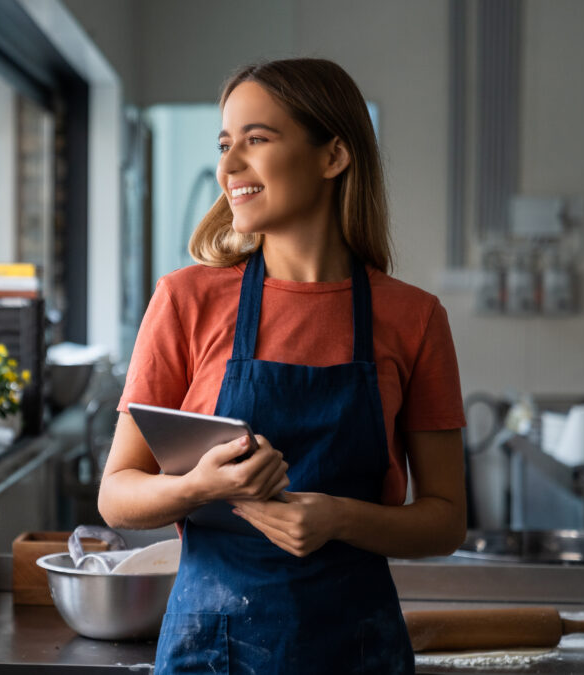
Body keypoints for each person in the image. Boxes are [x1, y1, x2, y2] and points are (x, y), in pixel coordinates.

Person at [98, 58, 467, 674]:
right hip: (210, 650)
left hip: (355, 648)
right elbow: (116, 495)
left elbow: (446, 520)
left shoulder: (414, 318)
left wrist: (341, 519)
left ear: (333, 156)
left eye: (257, 139)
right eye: (225, 143)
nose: (229, 164)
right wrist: (200, 488)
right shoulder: (185, 300)